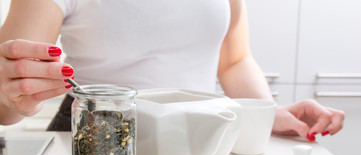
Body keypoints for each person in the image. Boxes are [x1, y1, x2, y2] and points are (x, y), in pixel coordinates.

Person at [0, 0, 344, 141]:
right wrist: (10, 97)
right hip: (92, 139)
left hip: (206, 134)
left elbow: (234, 60)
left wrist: (267, 113)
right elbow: (9, 88)